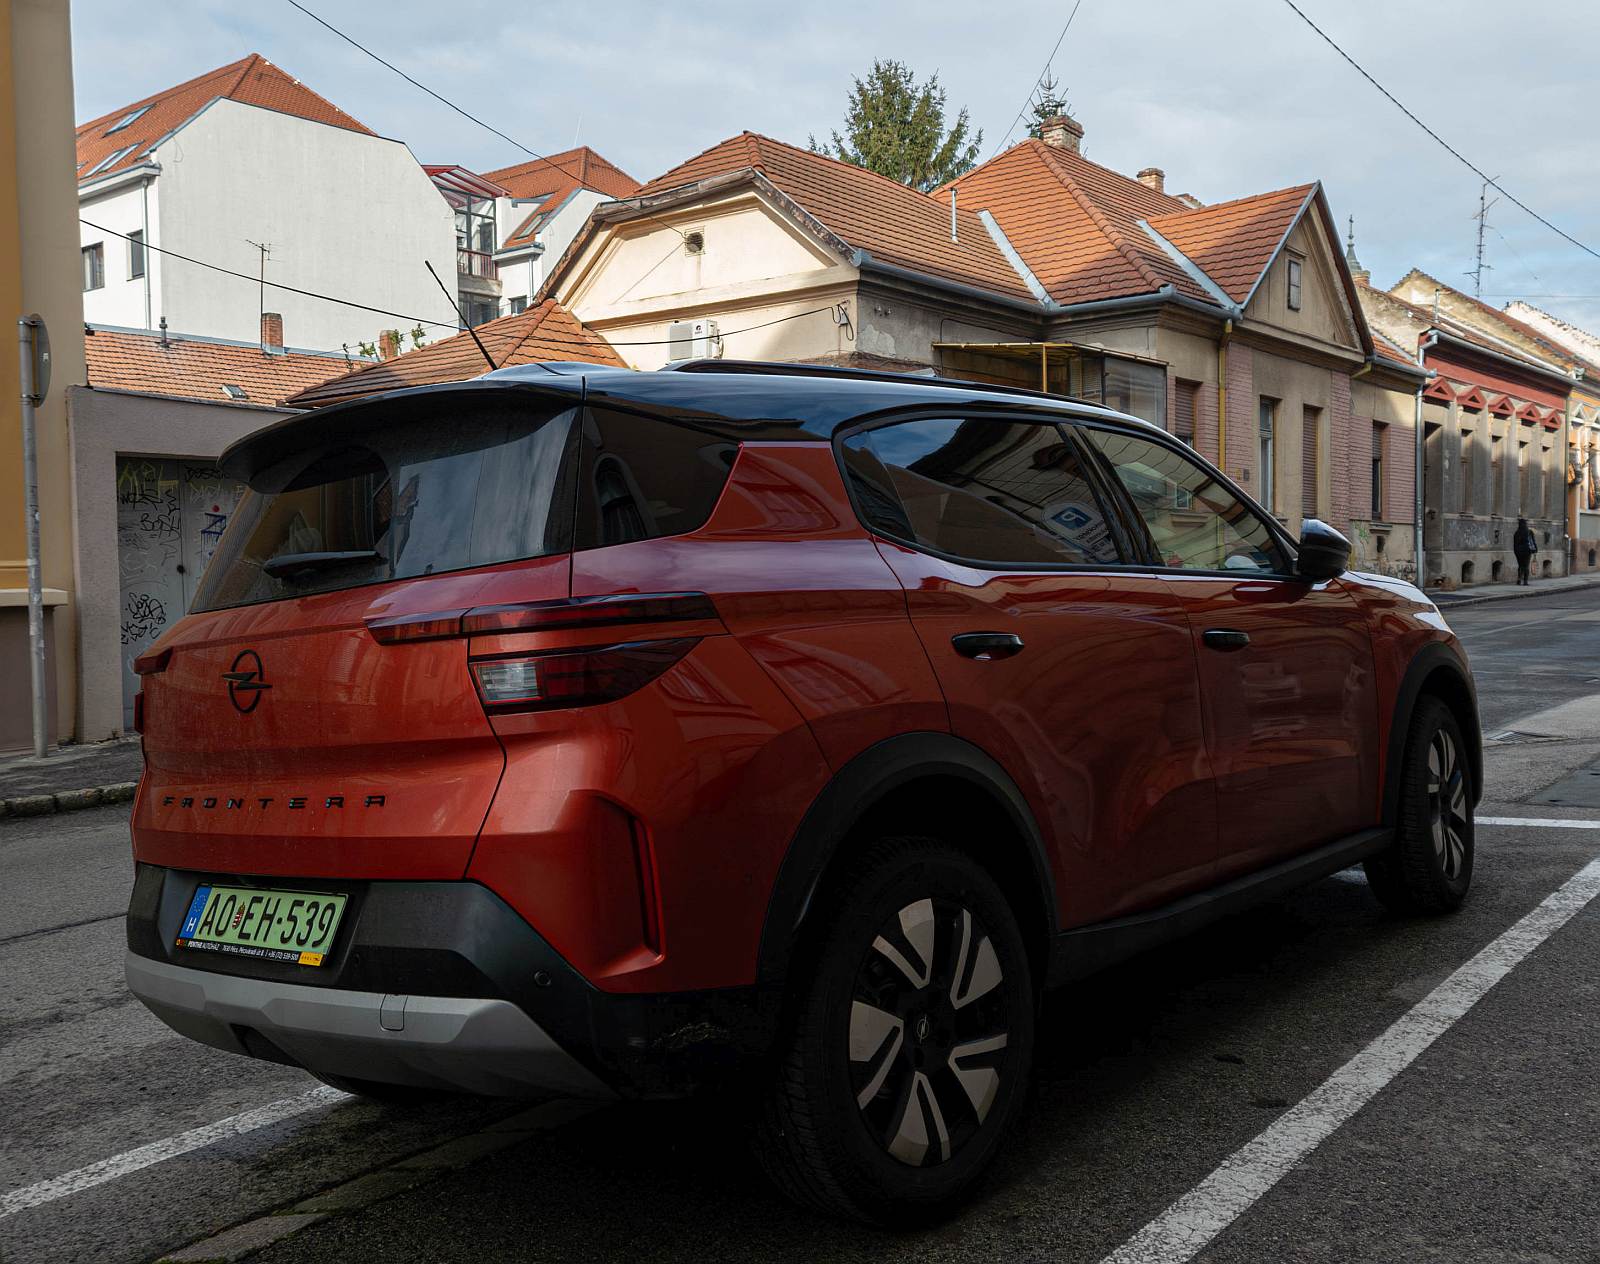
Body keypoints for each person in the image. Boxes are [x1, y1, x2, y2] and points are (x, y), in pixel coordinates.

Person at [1513, 516, 1537, 585]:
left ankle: (1519, 580)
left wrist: (1516, 551)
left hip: (1518, 552)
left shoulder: (1516, 533)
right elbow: (1532, 542)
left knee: (1520, 565)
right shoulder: (1529, 532)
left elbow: (1515, 544)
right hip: (1527, 551)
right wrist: (1535, 549)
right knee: (1526, 566)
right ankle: (1525, 581)